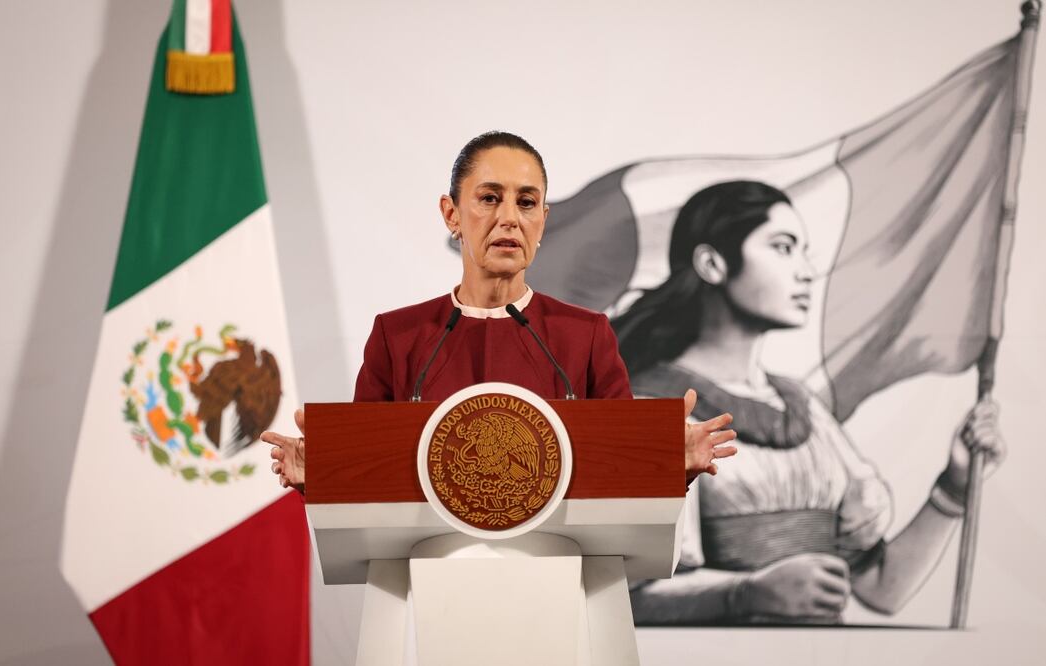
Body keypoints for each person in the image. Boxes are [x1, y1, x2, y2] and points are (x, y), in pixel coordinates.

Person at [614, 180, 1006, 624]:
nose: (805, 271)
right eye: (783, 248)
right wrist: (747, 593)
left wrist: (954, 487)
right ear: (712, 263)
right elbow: (625, 599)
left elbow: (881, 589)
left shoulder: (805, 409)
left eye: (804, 251)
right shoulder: (649, 408)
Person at [262, 131, 738, 493]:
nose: (509, 217)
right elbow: (368, 472)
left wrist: (673, 463)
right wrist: (318, 475)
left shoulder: (585, 335)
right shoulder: (400, 336)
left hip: (560, 582)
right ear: (451, 214)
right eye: (490, 198)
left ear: (542, 222)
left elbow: (620, 470)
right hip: (438, 586)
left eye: (526, 202)